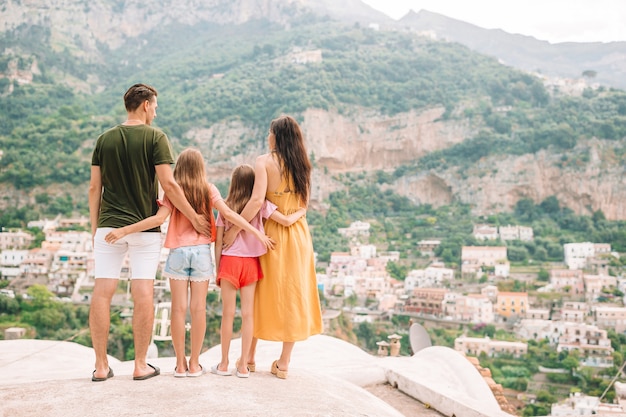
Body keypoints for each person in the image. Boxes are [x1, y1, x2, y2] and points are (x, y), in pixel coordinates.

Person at [104, 149, 275, 378]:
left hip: (178, 254)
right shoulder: (209, 188)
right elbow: (228, 214)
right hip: (202, 253)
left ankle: (180, 364)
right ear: (200, 167)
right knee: (198, 309)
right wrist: (256, 232)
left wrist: (124, 230)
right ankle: (195, 364)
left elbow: (158, 219)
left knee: (178, 309)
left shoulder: (173, 191)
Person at [88, 83, 212, 382]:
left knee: (102, 292)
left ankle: (102, 366)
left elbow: (94, 187)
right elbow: (169, 185)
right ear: (145, 105)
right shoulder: (156, 137)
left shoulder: (104, 140)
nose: (155, 112)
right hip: (145, 227)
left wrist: (97, 227)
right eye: (155, 106)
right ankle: (140, 365)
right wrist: (195, 217)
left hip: (108, 226)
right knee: (142, 292)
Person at [223, 115, 323, 379]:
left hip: (269, 235)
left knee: (259, 293)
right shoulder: (303, 164)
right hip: (299, 236)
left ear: (277, 136)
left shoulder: (264, 162)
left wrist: (234, 229)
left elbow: (256, 202)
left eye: (270, 131)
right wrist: (290, 218)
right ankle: (284, 363)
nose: (267, 136)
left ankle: (249, 357)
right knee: (293, 294)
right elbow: (304, 205)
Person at [212, 164, 306, 378]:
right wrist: (301, 210)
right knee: (248, 315)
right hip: (250, 265)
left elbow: (218, 243)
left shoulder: (225, 207)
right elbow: (286, 221)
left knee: (227, 314)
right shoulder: (262, 205)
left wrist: (217, 269)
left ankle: (224, 364)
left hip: (229, 263)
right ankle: (244, 366)